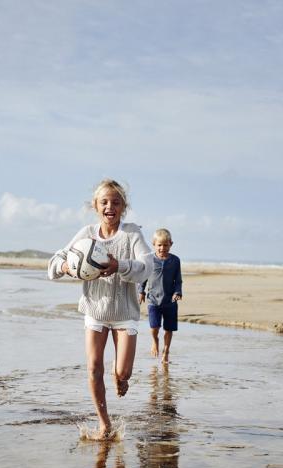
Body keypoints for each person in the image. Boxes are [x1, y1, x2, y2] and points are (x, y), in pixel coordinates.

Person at [48, 179, 153, 439]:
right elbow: (55, 262)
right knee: (94, 369)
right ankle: (104, 423)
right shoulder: (86, 234)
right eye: (104, 202)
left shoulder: (131, 234)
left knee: (122, 371)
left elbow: (148, 266)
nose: (110, 207)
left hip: (125, 314)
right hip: (95, 311)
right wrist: (65, 267)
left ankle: (122, 377)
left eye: (116, 202)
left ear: (123, 207)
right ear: (95, 206)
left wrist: (120, 266)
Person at [138, 228, 182, 363]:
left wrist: (178, 292)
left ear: (171, 244)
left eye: (166, 245)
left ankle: (166, 351)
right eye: (159, 245)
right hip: (153, 300)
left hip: (170, 301)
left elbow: (178, 279)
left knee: (169, 329)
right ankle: (155, 341)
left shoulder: (175, 260)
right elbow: (144, 277)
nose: (162, 248)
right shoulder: (150, 259)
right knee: (154, 327)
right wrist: (141, 291)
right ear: (154, 244)